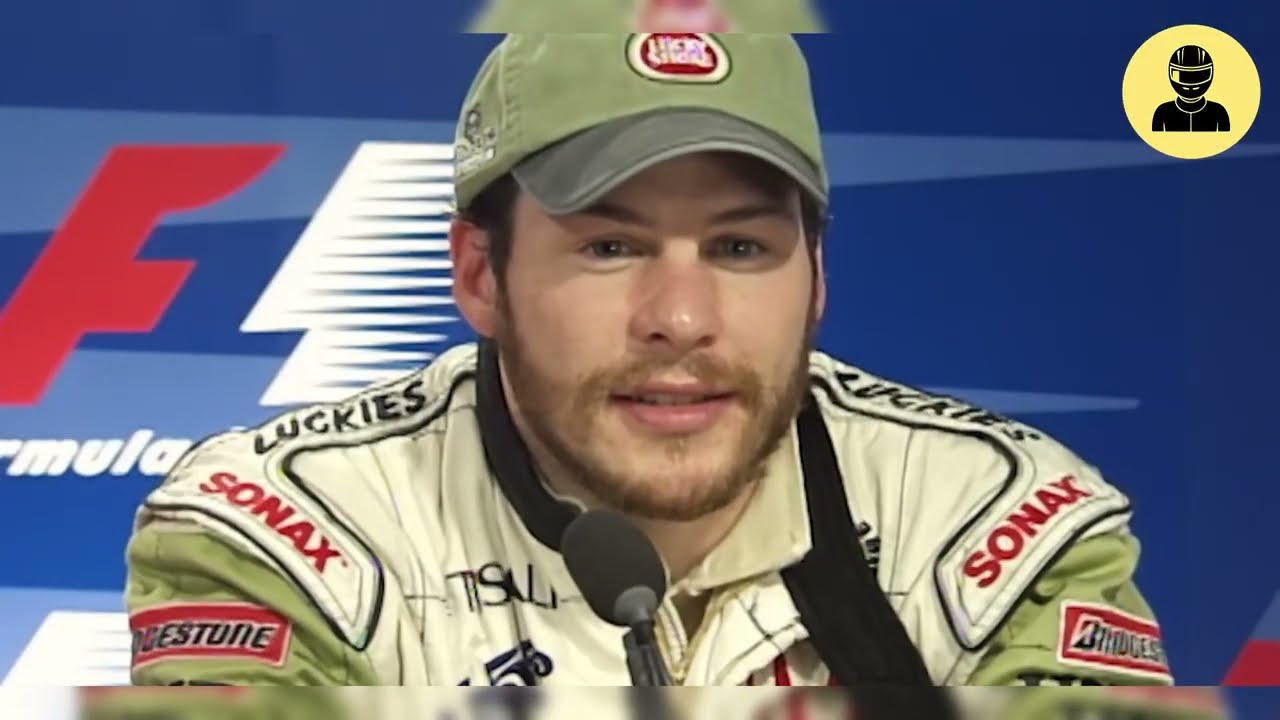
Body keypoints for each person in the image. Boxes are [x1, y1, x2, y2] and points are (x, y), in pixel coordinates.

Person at [124, 33, 1172, 689]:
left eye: (739, 248)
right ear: (481, 275)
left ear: (815, 275)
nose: (680, 318)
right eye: (610, 247)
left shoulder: (999, 522)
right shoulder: (281, 530)